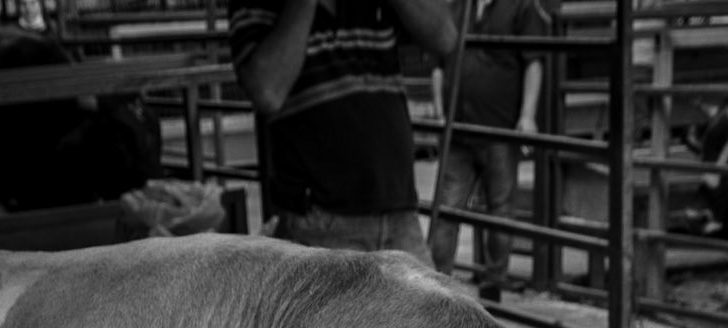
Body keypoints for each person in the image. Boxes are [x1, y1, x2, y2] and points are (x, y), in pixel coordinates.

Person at [230, 0, 457, 260]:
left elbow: (446, 37)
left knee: (432, 300)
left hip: (399, 212)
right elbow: (267, 92)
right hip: (319, 221)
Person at [428, 0, 549, 301]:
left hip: (499, 127)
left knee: (500, 209)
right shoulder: (456, 7)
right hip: (458, 129)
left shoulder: (521, 6)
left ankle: (494, 282)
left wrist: (527, 115)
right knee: (447, 208)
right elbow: (438, 62)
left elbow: (534, 61)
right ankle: (437, 284)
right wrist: (440, 111)